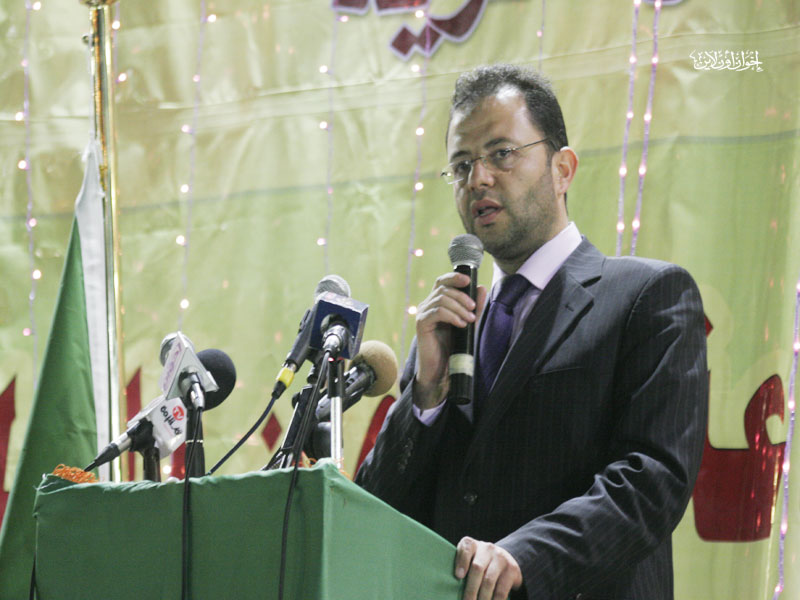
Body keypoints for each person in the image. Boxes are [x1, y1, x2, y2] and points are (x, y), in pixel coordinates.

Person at [355, 64, 707, 600]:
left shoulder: (646, 296)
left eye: (501, 153)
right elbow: (379, 512)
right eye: (461, 165)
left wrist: (524, 556)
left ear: (562, 169)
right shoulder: (450, 329)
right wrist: (424, 396)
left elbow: (651, 481)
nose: (478, 179)